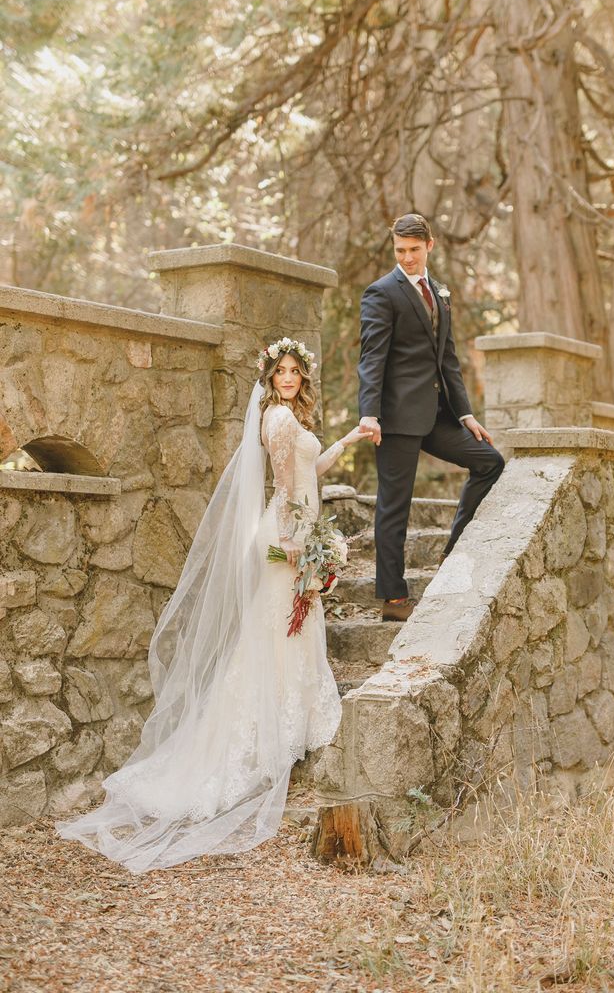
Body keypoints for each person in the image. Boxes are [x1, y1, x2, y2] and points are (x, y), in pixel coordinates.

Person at [56, 337, 370, 874]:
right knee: (278, 630)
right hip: (289, 534)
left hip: (298, 529)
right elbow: (290, 489)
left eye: (296, 371)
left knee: (282, 629)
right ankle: (271, 731)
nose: (289, 378)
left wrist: (352, 437)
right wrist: (299, 547)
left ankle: (291, 721)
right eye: (282, 371)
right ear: (270, 378)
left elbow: (309, 475)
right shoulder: (276, 421)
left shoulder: (287, 418)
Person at [358, 213, 505, 623]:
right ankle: (393, 598)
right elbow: (372, 359)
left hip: (436, 415)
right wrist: (369, 414)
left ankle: (451, 553)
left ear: (430, 247)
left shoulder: (439, 292)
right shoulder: (381, 293)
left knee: (489, 462)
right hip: (394, 418)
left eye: (414, 250)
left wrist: (466, 414)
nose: (406, 258)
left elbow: (449, 359)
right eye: (400, 250)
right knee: (394, 506)